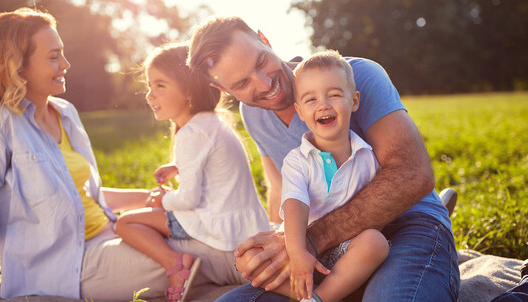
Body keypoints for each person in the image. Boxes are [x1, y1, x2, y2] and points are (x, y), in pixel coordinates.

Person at [0, 9, 249, 301]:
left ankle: (274, 262)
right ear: (17, 66)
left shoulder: (64, 113)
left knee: (208, 234)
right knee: (196, 255)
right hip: (66, 265)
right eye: (53, 56)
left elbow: (82, 198)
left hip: (108, 234)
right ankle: (271, 271)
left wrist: (157, 200)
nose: (66, 64)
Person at [188, 16, 459, 301]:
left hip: (405, 224)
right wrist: (278, 252)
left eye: (260, 62)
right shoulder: (253, 114)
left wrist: (310, 240)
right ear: (224, 91)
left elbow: (412, 175)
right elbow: (280, 189)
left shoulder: (357, 75)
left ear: (264, 39)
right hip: (327, 252)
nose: (265, 83)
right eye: (242, 83)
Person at [114, 42, 270, 302]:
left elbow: (188, 200)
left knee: (126, 222)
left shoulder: (191, 133)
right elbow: (214, 166)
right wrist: (177, 167)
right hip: (244, 225)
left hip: (217, 227)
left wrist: (161, 201)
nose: (149, 95)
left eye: (160, 86)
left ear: (188, 91)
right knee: (144, 214)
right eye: (149, 86)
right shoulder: (213, 123)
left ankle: (176, 264)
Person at [272, 50, 389, 302]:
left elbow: (377, 209)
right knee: (248, 259)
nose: (323, 104)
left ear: (354, 101)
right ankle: (337, 290)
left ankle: (318, 298)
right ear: (300, 111)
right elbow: (295, 204)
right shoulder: (297, 160)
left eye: (334, 95)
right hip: (304, 247)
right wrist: (297, 251)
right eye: (310, 99)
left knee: (376, 243)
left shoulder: (367, 156)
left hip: (348, 252)